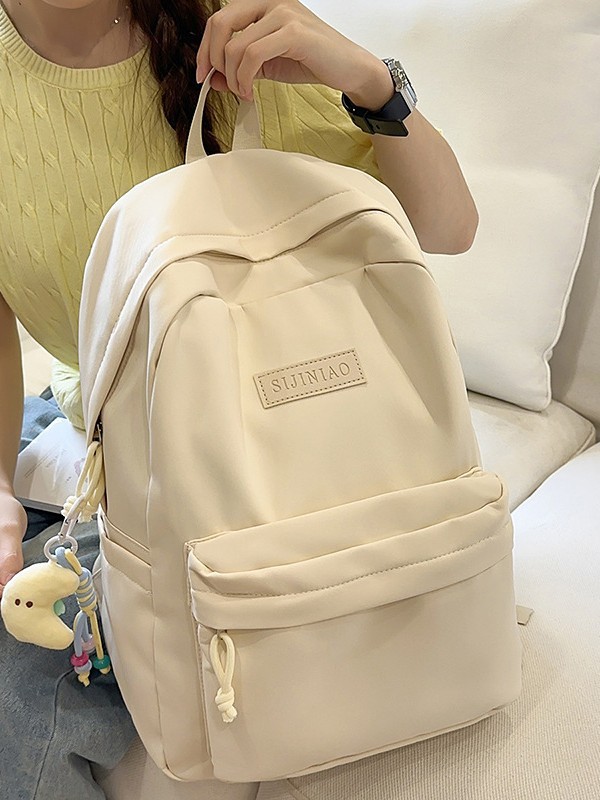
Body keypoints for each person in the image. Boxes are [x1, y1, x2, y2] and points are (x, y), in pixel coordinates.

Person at [0, 0, 479, 797]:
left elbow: (450, 226)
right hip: (103, 442)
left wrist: (369, 78)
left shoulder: (227, 29)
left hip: (271, 442)